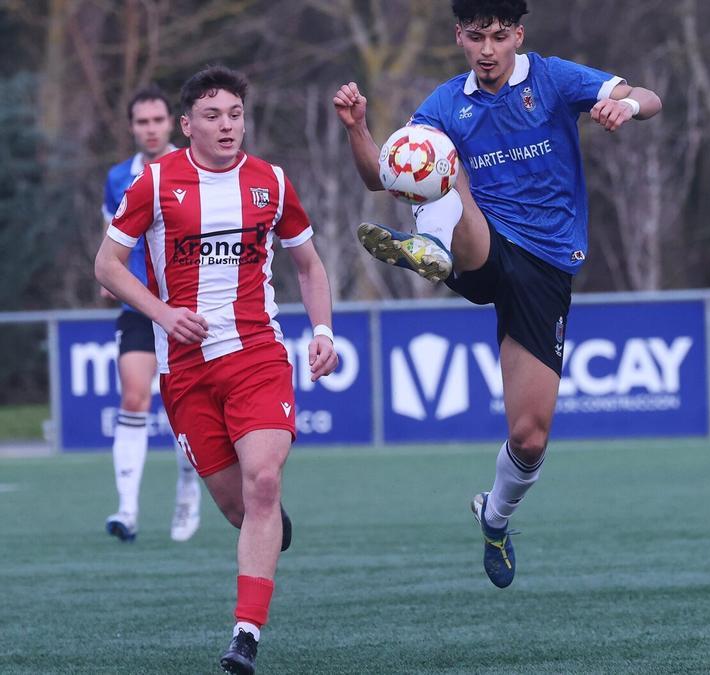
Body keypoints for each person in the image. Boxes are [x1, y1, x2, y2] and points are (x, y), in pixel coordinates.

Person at [333, 0, 661, 588]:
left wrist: (625, 104)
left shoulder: (555, 79)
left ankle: (495, 515)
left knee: (528, 437)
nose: (488, 49)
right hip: (480, 244)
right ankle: (431, 246)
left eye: (499, 36)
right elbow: (379, 177)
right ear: (459, 36)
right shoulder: (445, 103)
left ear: (518, 36)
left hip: (547, 266)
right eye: (476, 36)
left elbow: (650, 98)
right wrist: (359, 129)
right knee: (432, 152)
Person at [95, 65, 339, 675]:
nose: (227, 125)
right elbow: (107, 266)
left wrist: (324, 331)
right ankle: (265, 520)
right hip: (186, 373)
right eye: (212, 116)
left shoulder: (273, 182)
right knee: (240, 507)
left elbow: (309, 266)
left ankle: (245, 636)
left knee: (261, 482)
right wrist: (163, 313)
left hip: (258, 357)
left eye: (234, 114)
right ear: (186, 126)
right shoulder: (154, 183)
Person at [100, 85, 204, 544]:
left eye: (157, 120)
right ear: (132, 127)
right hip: (142, 307)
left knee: (188, 409)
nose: (150, 128)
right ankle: (127, 509)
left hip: (191, 304)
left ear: (173, 122)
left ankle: (187, 490)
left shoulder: (196, 166)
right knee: (134, 398)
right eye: (142, 122)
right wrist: (111, 278)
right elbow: (112, 240)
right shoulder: (118, 176)